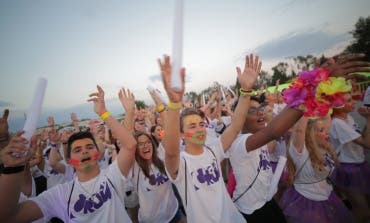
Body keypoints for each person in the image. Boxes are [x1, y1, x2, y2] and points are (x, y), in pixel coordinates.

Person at [227, 54, 370, 222]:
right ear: (239, 117)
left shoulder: (258, 138)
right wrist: (316, 83)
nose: (260, 112)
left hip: (267, 203)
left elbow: (291, 119)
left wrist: (320, 83)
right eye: (251, 110)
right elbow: (273, 131)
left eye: (260, 108)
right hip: (252, 212)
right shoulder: (240, 143)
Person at [0, 85, 137, 223]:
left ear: (98, 152)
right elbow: (10, 216)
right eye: (77, 150)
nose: (84, 151)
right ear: (69, 161)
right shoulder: (61, 195)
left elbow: (130, 145)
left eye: (89, 147)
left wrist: (103, 112)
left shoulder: (112, 175)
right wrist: (12, 167)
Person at [158, 53, 261, 222]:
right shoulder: (180, 162)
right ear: (181, 134)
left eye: (201, 124)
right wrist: (174, 104)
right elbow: (170, 152)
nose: (199, 129)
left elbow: (235, 127)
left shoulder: (213, 150)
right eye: (192, 126)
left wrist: (246, 92)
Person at [280, 116, 352, 223]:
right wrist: (305, 108)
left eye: (326, 130)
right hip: (306, 201)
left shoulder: (324, 148)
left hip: (327, 196)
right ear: (310, 134)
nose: (327, 133)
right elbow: (299, 131)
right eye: (321, 130)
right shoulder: (300, 151)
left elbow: (327, 116)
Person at [329, 92, 370, 223]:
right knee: (362, 211)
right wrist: (368, 118)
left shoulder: (348, 118)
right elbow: (367, 143)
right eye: (348, 100)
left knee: (366, 206)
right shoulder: (337, 123)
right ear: (337, 106)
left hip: (359, 165)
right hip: (349, 170)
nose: (354, 101)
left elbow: (362, 137)